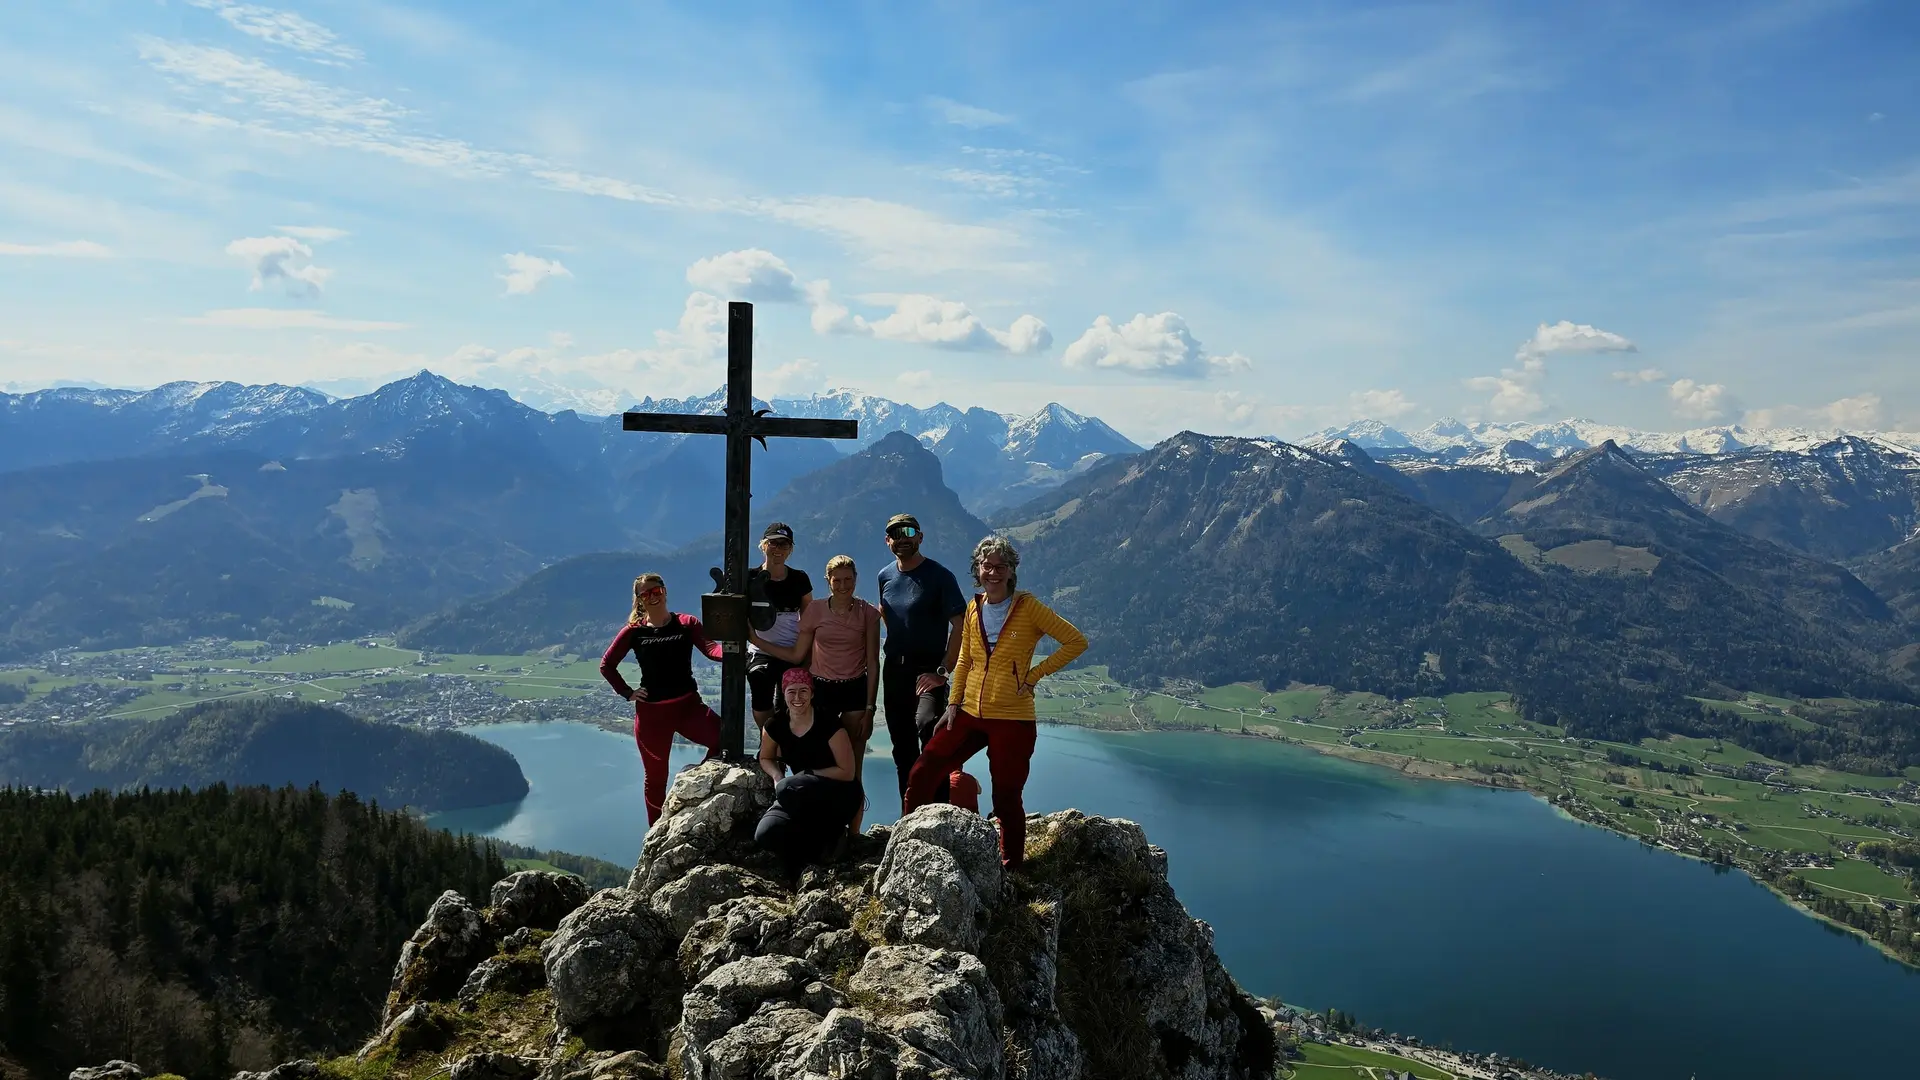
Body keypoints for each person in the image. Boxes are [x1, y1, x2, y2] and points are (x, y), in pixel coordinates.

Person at [905, 535, 1086, 871]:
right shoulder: (974, 608)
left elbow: (1076, 641)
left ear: (1011, 570)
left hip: (1012, 717)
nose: (993, 572)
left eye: (1001, 566)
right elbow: (965, 660)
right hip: (970, 712)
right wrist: (953, 703)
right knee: (923, 770)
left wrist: (1033, 676)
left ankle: (1011, 866)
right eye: (987, 565)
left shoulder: (1028, 607)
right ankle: (907, 844)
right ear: (978, 569)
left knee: (1005, 796)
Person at [752, 554, 881, 831]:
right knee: (814, 761)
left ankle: (854, 836)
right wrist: (756, 640)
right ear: (828, 581)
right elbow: (798, 653)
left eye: (849, 579)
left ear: (856, 579)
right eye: (837, 580)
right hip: (819, 690)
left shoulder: (868, 613)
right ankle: (814, 825)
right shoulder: (816, 611)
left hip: (854, 691)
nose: (844, 585)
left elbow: (873, 661)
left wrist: (870, 710)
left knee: (853, 769)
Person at [599, 573, 723, 825]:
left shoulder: (687, 623)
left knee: (725, 739)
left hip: (688, 706)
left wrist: (733, 652)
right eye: (646, 594)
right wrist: (627, 692)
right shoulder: (633, 632)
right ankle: (656, 829)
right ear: (639, 600)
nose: (652, 597)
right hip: (652, 715)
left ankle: (694, 788)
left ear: (665, 591)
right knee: (655, 780)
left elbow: (711, 649)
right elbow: (607, 665)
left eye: (656, 591)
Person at [875, 512, 968, 801]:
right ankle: (910, 811)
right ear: (888, 541)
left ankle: (939, 810)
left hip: (929, 671)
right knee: (902, 747)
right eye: (896, 534)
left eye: (909, 532)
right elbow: (889, 617)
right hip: (894, 672)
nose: (903, 539)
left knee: (930, 731)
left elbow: (961, 625)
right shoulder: (885, 576)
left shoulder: (940, 577)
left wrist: (942, 670)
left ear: (921, 536)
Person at [754, 667, 863, 878]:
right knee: (765, 833)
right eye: (791, 691)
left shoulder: (829, 723)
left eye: (803, 691)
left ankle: (832, 838)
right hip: (799, 792)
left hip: (839, 793)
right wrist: (777, 776)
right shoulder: (775, 725)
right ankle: (811, 854)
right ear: (783, 694)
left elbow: (847, 772)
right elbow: (765, 758)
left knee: (788, 788)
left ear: (812, 693)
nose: (797, 697)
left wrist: (808, 772)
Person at [746, 522, 813, 730]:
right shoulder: (749, 578)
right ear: (763, 545)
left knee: (791, 696)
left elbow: (809, 619)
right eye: (773, 543)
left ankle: (784, 745)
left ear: (790, 549)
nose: (778, 549)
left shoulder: (799, 579)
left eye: (784, 544)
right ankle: (768, 739)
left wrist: (807, 657)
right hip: (760, 652)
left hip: (791, 649)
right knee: (759, 680)